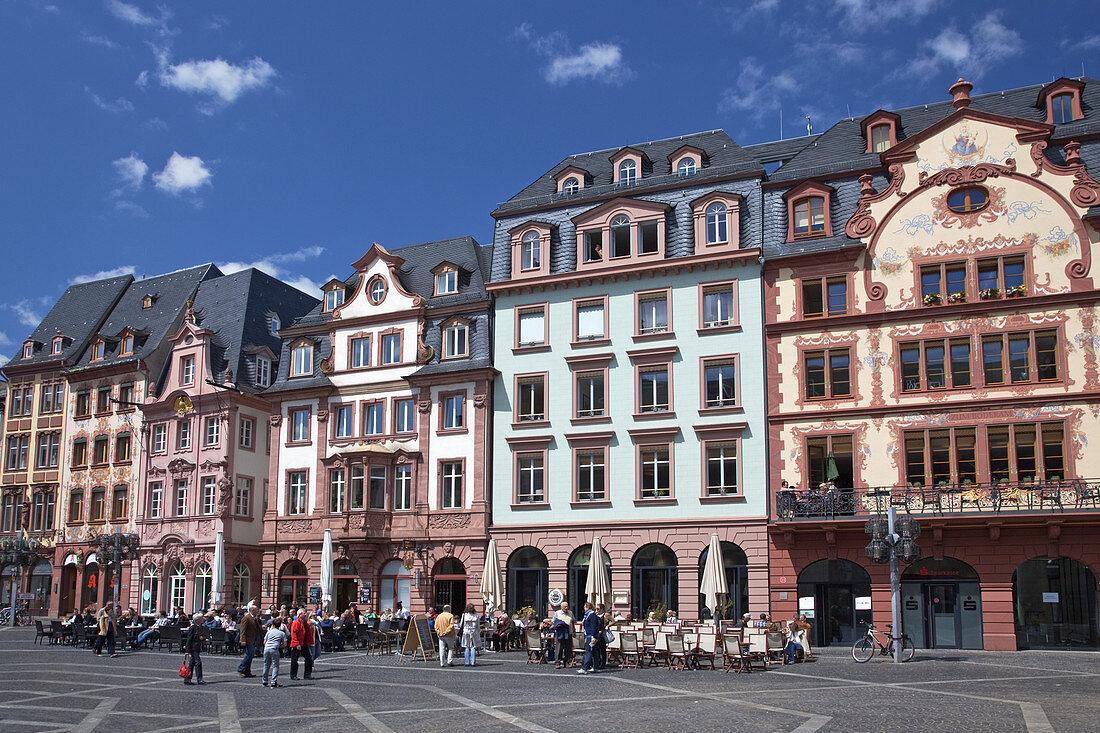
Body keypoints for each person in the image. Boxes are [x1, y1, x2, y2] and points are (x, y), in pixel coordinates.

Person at [261, 617, 288, 687]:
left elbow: (264, 642)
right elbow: (285, 644)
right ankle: (273, 681)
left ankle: (264, 680)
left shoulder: (269, 632)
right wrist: (279, 646)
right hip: (274, 649)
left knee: (266, 665)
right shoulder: (281, 633)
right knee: (275, 665)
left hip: (266, 648)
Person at [289, 608, 314, 681]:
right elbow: (294, 634)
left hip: (304, 643)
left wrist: (309, 642)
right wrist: (297, 644)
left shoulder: (305, 623)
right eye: (304, 613)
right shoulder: (296, 623)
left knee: (308, 658)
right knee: (294, 660)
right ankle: (293, 675)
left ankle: (307, 674)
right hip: (297, 644)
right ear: (300, 615)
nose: (305, 614)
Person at [237, 604, 261, 678]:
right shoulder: (246, 618)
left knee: (251, 655)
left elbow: (258, 629)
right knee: (249, 655)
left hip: (253, 639)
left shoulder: (255, 618)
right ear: (252, 610)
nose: (258, 611)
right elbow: (243, 630)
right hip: (248, 639)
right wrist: (242, 640)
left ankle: (247, 671)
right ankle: (241, 668)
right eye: (257, 610)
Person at [578, 602, 601, 674]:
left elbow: (593, 627)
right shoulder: (588, 615)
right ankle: (595, 666)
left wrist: (593, 636)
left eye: (585, 607)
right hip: (589, 635)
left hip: (591, 636)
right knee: (594, 652)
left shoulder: (591, 615)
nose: (584, 609)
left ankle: (584, 668)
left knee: (588, 651)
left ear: (588, 607)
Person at [183, 613, 205, 685]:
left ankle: (187, 679)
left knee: (192, 663)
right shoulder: (193, 628)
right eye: (201, 618)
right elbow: (189, 639)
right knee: (198, 662)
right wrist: (187, 650)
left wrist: (202, 638)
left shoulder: (201, 627)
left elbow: (203, 636)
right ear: (197, 620)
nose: (203, 619)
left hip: (197, 647)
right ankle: (199, 679)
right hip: (193, 647)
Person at [553, 602, 575, 668]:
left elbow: (573, 622)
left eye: (567, 606)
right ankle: (557, 662)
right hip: (560, 633)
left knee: (568, 648)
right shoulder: (557, 613)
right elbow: (553, 621)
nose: (566, 608)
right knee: (559, 648)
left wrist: (574, 631)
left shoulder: (570, 613)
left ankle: (567, 662)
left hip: (569, 632)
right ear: (561, 607)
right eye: (565, 607)